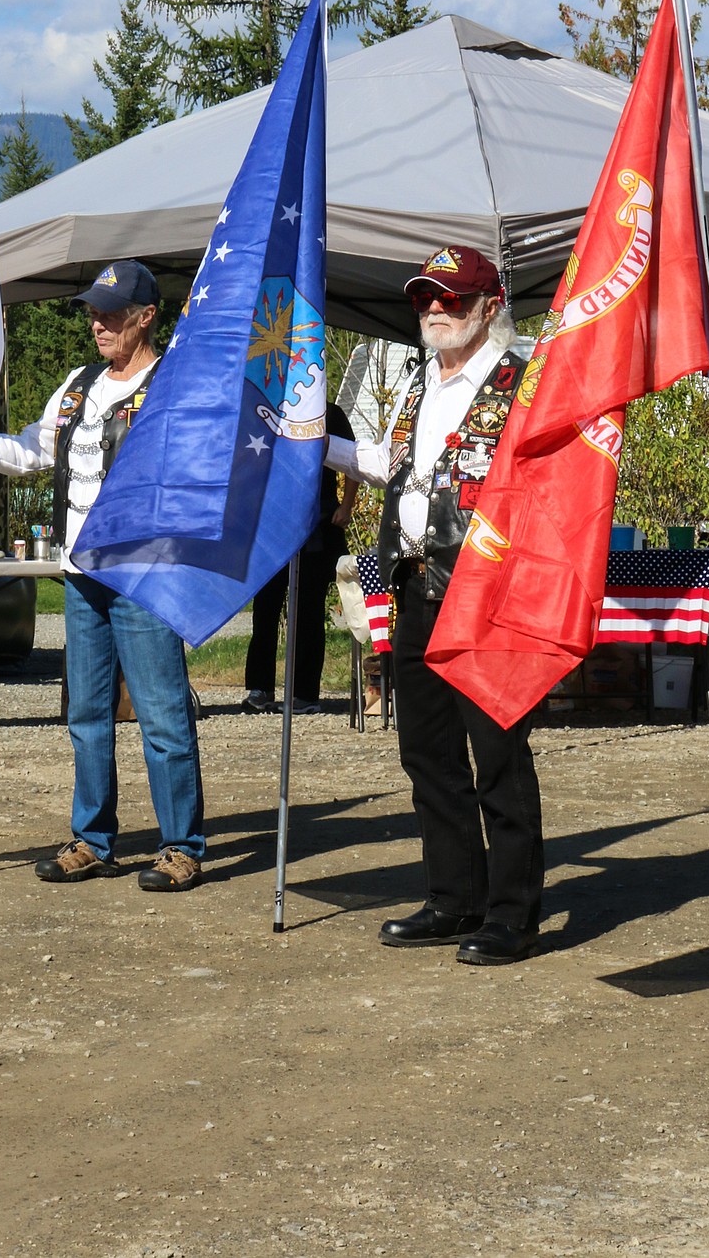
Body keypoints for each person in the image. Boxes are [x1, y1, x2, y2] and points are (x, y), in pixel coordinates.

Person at [326, 244, 544, 966]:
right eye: (425, 299)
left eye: (449, 299)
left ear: (489, 307)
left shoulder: (523, 384)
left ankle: (513, 912)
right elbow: (397, 471)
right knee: (426, 753)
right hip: (416, 583)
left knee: (498, 757)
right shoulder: (421, 385)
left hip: (486, 592)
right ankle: (454, 896)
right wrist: (314, 441)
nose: (435, 310)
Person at [0, 260, 205, 893]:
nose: (98, 323)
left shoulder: (176, 381)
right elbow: (27, 453)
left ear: (146, 317)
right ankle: (93, 840)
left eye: (111, 312)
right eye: (93, 311)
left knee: (162, 716)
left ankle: (181, 846)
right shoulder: (77, 384)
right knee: (87, 713)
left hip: (143, 576)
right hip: (79, 576)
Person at [242, 401, 360, 715]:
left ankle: (305, 693)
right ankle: (260, 688)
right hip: (270, 524)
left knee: (308, 610)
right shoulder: (264, 409)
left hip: (316, 524)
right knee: (265, 609)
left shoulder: (330, 413)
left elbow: (353, 462)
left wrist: (346, 507)